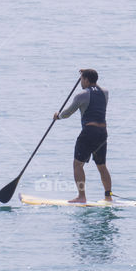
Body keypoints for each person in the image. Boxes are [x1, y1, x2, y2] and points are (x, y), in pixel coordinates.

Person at [53, 69, 111, 203]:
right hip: (102, 133)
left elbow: (67, 113)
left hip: (89, 132)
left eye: (81, 80)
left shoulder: (82, 95)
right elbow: (94, 88)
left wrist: (58, 116)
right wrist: (88, 72)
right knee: (102, 166)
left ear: (85, 80)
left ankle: (81, 197)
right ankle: (108, 196)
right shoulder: (105, 93)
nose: (80, 82)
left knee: (77, 165)